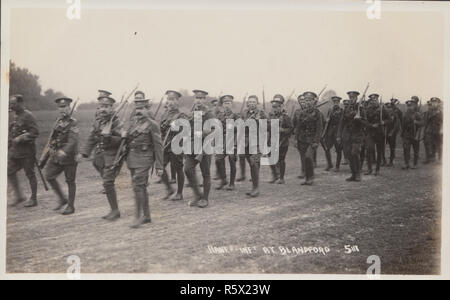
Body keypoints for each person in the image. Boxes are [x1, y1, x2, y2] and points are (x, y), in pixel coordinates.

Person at [122, 94, 164, 228]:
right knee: (141, 187)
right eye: (137, 107)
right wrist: (123, 135)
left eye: (142, 108)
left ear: (147, 109)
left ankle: (138, 217)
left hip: (145, 158)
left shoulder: (153, 125)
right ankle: (146, 216)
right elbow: (128, 141)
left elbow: (158, 146)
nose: (138, 111)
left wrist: (159, 165)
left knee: (137, 186)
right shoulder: (133, 123)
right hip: (132, 158)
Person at [80, 95, 123, 221]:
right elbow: (92, 137)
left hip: (113, 155)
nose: (102, 109)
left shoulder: (116, 122)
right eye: (101, 107)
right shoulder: (98, 122)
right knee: (104, 177)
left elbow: (121, 140)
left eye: (106, 107)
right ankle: (113, 208)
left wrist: (109, 137)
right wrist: (84, 153)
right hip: (100, 156)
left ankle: (115, 210)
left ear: (111, 108)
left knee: (107, 182)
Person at [42, 97, 79, 215]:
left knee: (70, 181)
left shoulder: (73, 122)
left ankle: (71, 206)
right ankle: (62, 199)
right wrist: (45, 156)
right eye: (60, 107)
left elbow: (73, 141)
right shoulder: (58, 121)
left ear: (69, 108)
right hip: (56, 155)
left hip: (69, 157)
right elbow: (51, 138)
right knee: (49, 176)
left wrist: (65, 151)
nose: (62, 109)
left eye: (64, 107)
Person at [8, 94, 40, 207]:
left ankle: (33, 199)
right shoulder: (15, 116)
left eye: (13, 104)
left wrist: (21, 138)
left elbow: (35, 132)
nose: (11, 106)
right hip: (15, 152)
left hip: (27, 152)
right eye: (10, 104)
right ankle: (19, 196)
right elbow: (12, 132)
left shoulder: (28, 116)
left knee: (30, 174)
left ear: (20, 103)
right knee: (9, 171)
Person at [184, 90, 214, 207]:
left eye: (201, 98)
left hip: (205, 146)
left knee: (205, 173)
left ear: (205, 99)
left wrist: (202, 133)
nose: (199, 100)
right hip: (192, 146)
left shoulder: (209, 113)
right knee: (187, 169)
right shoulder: (192, 112)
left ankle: (205, 199)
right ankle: (197, 194)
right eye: (197, 98)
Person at [159, 90, 187, 201]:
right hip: (165, 145)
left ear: (177, 101)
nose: (170, 102)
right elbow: (161, 129)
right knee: (159, 167)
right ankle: (169, 188)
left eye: (173, 100)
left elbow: (185, 130)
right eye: (168, 99)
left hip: (176, 145)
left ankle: (179, 193)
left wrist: (176, 126)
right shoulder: (164, 114)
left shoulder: (181, 115)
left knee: (178, 169)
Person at [292, 92, 323, 185]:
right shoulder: (302, 113)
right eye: (306, 100)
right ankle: (307, 178)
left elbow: (319, 128)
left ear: (314, 101)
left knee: (308, 157)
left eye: (310, 100)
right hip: (302, 140)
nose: (307, 102)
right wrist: (296, 139)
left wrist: (316, 141)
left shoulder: (317, 113)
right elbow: (298, 127)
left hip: (312, 140)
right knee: (304, 158)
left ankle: (311, 177)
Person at [337, 91, 366, 182]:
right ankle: (353, 174)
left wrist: (359, 119)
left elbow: (366, 123)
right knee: (349, 155)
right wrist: (338, 135)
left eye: (353, 98)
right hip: (347, 135)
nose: (351, 99)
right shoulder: (346, 109)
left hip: (357, 135)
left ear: (356, 98)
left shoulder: (361, 109)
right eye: (350, 98)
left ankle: (358, 174)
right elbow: (341, 122)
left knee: (354, 153)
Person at [242, 95, 267, 196]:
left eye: (254, 102)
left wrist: (257, 121)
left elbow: (268, 126)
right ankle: (254, 186)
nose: (251, 104)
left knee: (253, 162)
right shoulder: (244, 113)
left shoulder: (262, 113)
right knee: (253, 164)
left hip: (258, 141)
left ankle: (255, 188)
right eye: (250, 102)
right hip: (247, 142)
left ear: (257, 103)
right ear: (247, 103)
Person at [215, 95, 240, 190]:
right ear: (222, 104)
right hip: (221, 140)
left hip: (232, 140)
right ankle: (223, 179)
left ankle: (232, 183)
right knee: (218, 159)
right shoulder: (219, 115)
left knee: (232, 160)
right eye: (225, 103)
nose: (227, 105)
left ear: (231, 104)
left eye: (228, 103)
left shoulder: (236, 115)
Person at [362, 94, 391, 176]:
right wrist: (370, 125)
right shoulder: (368, 109)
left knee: (379, 152)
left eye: (375, 100)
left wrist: (384, 122)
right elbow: (364, 121)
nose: (373, 101)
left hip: (379, 133)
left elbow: (389, 119)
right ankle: (369, 169)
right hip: (370, 132)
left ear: (378, 100)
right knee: (369, 149)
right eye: (372, 100)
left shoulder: (382, 109)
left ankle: (377, 169)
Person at [268, 94, 293, 184]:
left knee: (281, 159)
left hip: (283, 141)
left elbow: (291, 129)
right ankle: (274, 175)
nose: (275, 109)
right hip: (272, 141)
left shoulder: (286, 117)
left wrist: (282, 130)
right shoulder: (271, 116)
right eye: (274, 107)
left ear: (281, 106)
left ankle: (281, 178)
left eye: (277, 107)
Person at [321, 96, 344, 172]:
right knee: (327, 149)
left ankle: (337, 166)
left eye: (337, 102)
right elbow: (327, 122)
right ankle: (329, 164)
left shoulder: (342, 111)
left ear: (339, 102)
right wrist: (326, 120)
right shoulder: (330, 110)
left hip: (337, 133)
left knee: (338, 150)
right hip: (330, 133)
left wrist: (340, 134)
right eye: (334, 102)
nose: (336, 103)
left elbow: (342, 123)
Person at [401, 97, 423, 170]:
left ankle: (415, 164)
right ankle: (406, 163)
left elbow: (422, 123)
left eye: (412, 105)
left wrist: (416, 122)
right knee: (406, 149)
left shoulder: (417, 114)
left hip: (415, 134)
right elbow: (403, 124)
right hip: (407, 134)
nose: (410, 107)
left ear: (414, 106)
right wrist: (403, 133)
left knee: (416, 150)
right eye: (409, 106)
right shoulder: (405, 114)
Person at [423, 97, 443, 164]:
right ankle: (431, 158)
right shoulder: (429, 112)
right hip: (430, 130)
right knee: (430, 144)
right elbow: (426, 121)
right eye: (433, 102)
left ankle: (440, 159)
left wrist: (441, 129)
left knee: (439, 144)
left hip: (438, 130)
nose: (434, 104)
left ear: (438, 103)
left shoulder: (441, 112)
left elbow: (443, 122)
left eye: (435, 102)